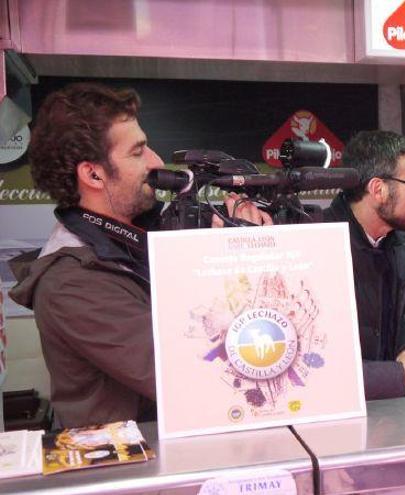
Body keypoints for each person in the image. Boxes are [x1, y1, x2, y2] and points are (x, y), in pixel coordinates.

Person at [9, 82, 271, 428]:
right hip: (137, 468)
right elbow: (187, 375)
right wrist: (235, 264)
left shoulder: (136, 240)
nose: (157, 162)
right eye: (138, 152)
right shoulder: (70, 283)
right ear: (93, 173)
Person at [323, 130, 405, 400]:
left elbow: (399, 317)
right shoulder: (318, 247)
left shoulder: (396, 244)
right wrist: (398, 374)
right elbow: (314, 369)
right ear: (378, 190)